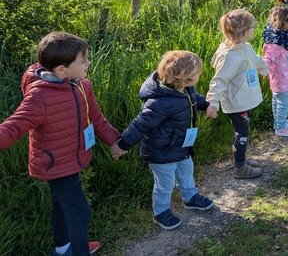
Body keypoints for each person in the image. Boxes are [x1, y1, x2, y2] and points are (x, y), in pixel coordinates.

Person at [0, 32, 120, 256]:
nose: (88, 63)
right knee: (79, 210)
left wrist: (116, 140)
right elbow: (12, 127)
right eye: (83, 61)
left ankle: (63, 248)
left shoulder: (81, 85)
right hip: (55, 163)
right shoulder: (39, 97)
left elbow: (96, 117)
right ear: (61, 69)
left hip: (72, 157)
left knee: (60, 205)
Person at [112, 51, 214, 231]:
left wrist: (206, 105)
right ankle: (161, 211)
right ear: (186, 78)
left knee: (186, 172)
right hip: (161, 151)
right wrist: (123, 144)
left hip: (181, 146)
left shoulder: (186, 90)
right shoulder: (159, 103)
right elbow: (140, 125)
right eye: (198, 73)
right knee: (165, 184)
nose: (200, 75)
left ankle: (190, 197)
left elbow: (194, 99)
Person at [206, 9, 269, 178]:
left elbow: (256, 60)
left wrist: (266, 71)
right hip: (236, 103)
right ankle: (240, 167)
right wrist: (213, 102)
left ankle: (241, 158)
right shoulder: (230, 56)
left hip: (245, 98)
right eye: (253, 27)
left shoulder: (245, 47)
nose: (254, 29)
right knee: (242, 133)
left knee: (243, 131)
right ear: (244, 31)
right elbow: (219, 80)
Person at [262, 6, 288, 138]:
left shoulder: (281, 38)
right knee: (282, 102)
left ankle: (279, 121)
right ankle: (281, 127)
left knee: (277, 101)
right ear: (284, 22)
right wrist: (262, 68)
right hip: (280, 79)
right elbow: (267, 59)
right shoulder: (275, 44)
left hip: (283, 77)